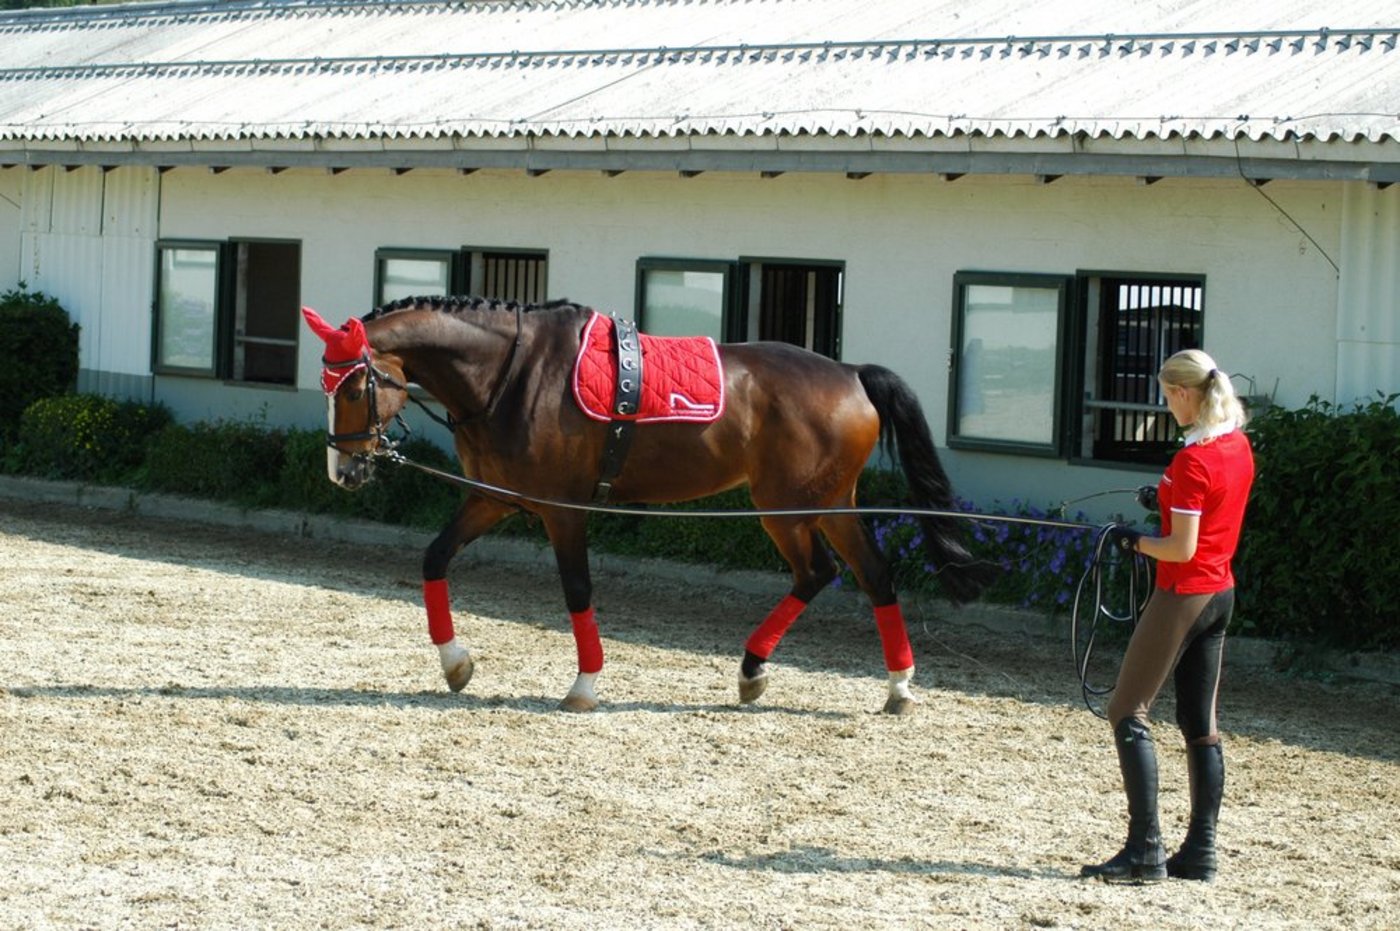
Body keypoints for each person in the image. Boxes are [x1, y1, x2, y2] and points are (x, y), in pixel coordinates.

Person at [1081, 348, 1256, 884]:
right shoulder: (1236, 445)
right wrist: (1160, 500)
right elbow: (1204, 513)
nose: (1165, 404)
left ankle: (1145, 850)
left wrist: (1136, 541)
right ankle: (1200, 851)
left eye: (1166, 395)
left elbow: (1179, 548)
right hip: (1221, 593)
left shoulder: (1192, 461)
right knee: (1198, 723)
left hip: (1184, 594)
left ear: (1184, 394)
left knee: (1125, 709)